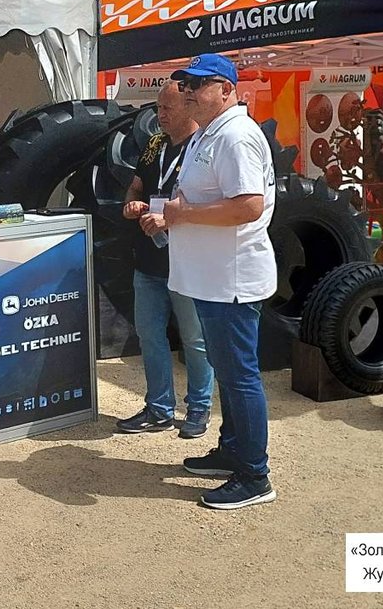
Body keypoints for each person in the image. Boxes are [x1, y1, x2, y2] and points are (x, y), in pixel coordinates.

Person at [163, 54, 277, 511]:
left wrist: (185, 213)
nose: (189, 91)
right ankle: (233, 449)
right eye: (185, 84)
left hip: (230, 279)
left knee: (239, 376)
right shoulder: (208, 133)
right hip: (211, 278)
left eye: (199, 84)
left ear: (227, 89)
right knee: (229, 374)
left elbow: (248, 206)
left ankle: (254, 475)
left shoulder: (235, 135)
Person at [116, 80, 214, 440]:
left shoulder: (202, 147)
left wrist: (169, 218)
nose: (160, 115)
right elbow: (137, 185)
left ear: (188, 106)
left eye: (167, 108)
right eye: (158, 108)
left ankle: (199, 408)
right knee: (149, 335)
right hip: (149, 259)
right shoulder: (155, 143)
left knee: (194, 339)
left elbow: (210, 204)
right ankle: (159, 408)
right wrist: (132, 204)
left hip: (187, 261)